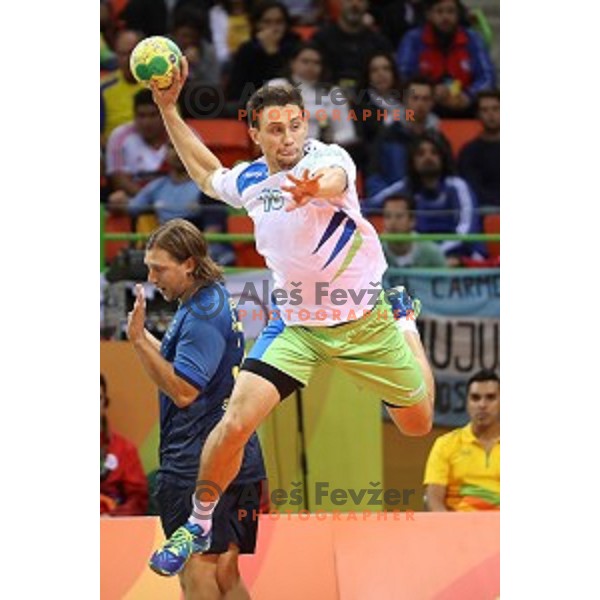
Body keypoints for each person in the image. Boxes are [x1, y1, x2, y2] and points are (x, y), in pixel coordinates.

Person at [146, 61, 436, 576]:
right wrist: (169, 108)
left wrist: (312, 188)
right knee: (234, 422)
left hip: (365, 323)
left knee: (416, 425)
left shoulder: (328, 158)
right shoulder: (253, 179)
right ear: (254, 132)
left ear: (307, 123)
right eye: (275, 129)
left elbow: (335, 177)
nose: (287, 138)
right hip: (297, 326)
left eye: (295, 126)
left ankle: (405, 322)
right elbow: (207, 172)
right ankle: (198, 520)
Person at [126, 219, 266, 597]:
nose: (152, 276)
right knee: (225, 572)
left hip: (197, 461)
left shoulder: (200, 315)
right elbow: (183, 363)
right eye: (149, 266)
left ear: (189, 263)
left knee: (196, 569)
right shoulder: (210, 299)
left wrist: (139, 343)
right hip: (237, 455)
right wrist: (145, 337)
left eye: (159, 268)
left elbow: (184, 391)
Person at [366, 131, 485, 263]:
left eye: (434, 153)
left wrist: (436, 254)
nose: (428, 157)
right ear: (413, 160)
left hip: (457, 256)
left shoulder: (457, 186)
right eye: (421, 154)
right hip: (421, 259)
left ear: (442, 158)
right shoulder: (405, 186)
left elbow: (465, 231)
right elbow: (368, 205)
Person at [118, 143, 235, 265]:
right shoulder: (157, 186)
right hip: (172, 252)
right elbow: (131, 208)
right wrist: (119, 201)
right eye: (171, 147)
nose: (177, 151)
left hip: (207, 255)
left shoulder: (209, 187)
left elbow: (212, 233)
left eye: (181, 146)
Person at [396, 0, 496, 118]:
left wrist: (468, 95)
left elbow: (488, 77)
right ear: (429, 14)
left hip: (466, 106)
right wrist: (431, 91)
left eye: (450, 11)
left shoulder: (473, 39)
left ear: (458, 15)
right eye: (439, 11)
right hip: (425, 107)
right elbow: (403, 75)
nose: (445, 17)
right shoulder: (413, 39)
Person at [423, 369, 500, 511]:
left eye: (490, 397)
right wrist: (450, 530)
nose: (482, 405)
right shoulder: (446, 444)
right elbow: (433, 499)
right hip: (458, 527)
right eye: (475, 398)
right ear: (467, 402)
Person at [269, 42, 358, 147]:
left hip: (323, 153)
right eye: (305, 61)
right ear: (292, 63)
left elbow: (347, 132)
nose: (311, 66)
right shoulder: (278, 86)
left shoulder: (333, 92)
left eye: (316, 63)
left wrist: (330, 141)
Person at [365, 77, 441, 196]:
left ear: (432, 103)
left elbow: (448, 178)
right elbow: (373, 177)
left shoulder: (438, 139)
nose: (420, 104)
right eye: (415, 98)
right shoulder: (387, 136)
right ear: (405, 101)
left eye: (425, 99)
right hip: (394, 205)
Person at [225, 1, 301, 104]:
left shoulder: (296, 46)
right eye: (267, 22)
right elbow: (236, 90)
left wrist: (273, 54)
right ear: (257, 24)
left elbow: (291, 84)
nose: (274, 28)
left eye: (279, 22)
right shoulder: (247, 49)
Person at [312, 0, 393, 94]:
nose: (354, 5)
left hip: (370, 99)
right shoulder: (321, 38)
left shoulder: (379, 42)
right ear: (340, 3)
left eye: (360, 1)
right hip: (325, 96)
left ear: (367, 5)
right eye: (349, 0)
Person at [106, 89, 168, 202]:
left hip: (177, 204)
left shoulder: (184, 135)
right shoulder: (119, 136)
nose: (146, 122)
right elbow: (119, 181)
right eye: (141, 116)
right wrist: (151, 202)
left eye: (153, 115)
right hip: (136, 204)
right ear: (134, 115)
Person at [100, 374, 149, 516]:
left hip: (111, 525)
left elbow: (138, 499)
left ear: (105, 403)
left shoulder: (124, 449)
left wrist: (113, 517)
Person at [381, 194, 446, 287]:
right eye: (387, 216)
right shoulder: (373, 253)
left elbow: (445, 289)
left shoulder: (432, 253)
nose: (392, 222)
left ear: (412, 221)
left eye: (399, 216)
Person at [458, 89, 500, 211]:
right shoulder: (469, 152)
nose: (491, 115)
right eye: (485, 110)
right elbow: (472, 188)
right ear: (478, 115)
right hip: (485, 208)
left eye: (495, 109)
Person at [101, 30, 144, 144]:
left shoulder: (158, 84)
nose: (126, 59)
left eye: (131, 53)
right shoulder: (102, 89)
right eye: (122, 54)